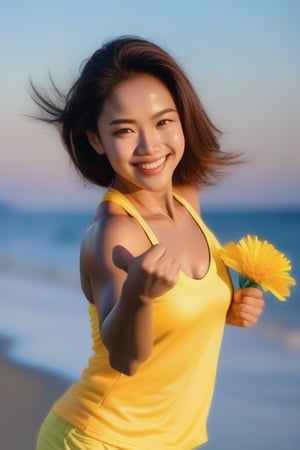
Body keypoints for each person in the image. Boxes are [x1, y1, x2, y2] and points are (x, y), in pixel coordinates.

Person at [33, 36, 264, 450]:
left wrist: (234, 304)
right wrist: (138, 294)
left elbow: (181, 317)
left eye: (163, 122)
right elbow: (126, 358)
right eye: (125, 130)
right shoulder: (113, 233)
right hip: (98, 439)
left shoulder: (187, 199)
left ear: (183, 120)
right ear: (96, 140)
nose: (150, 146)